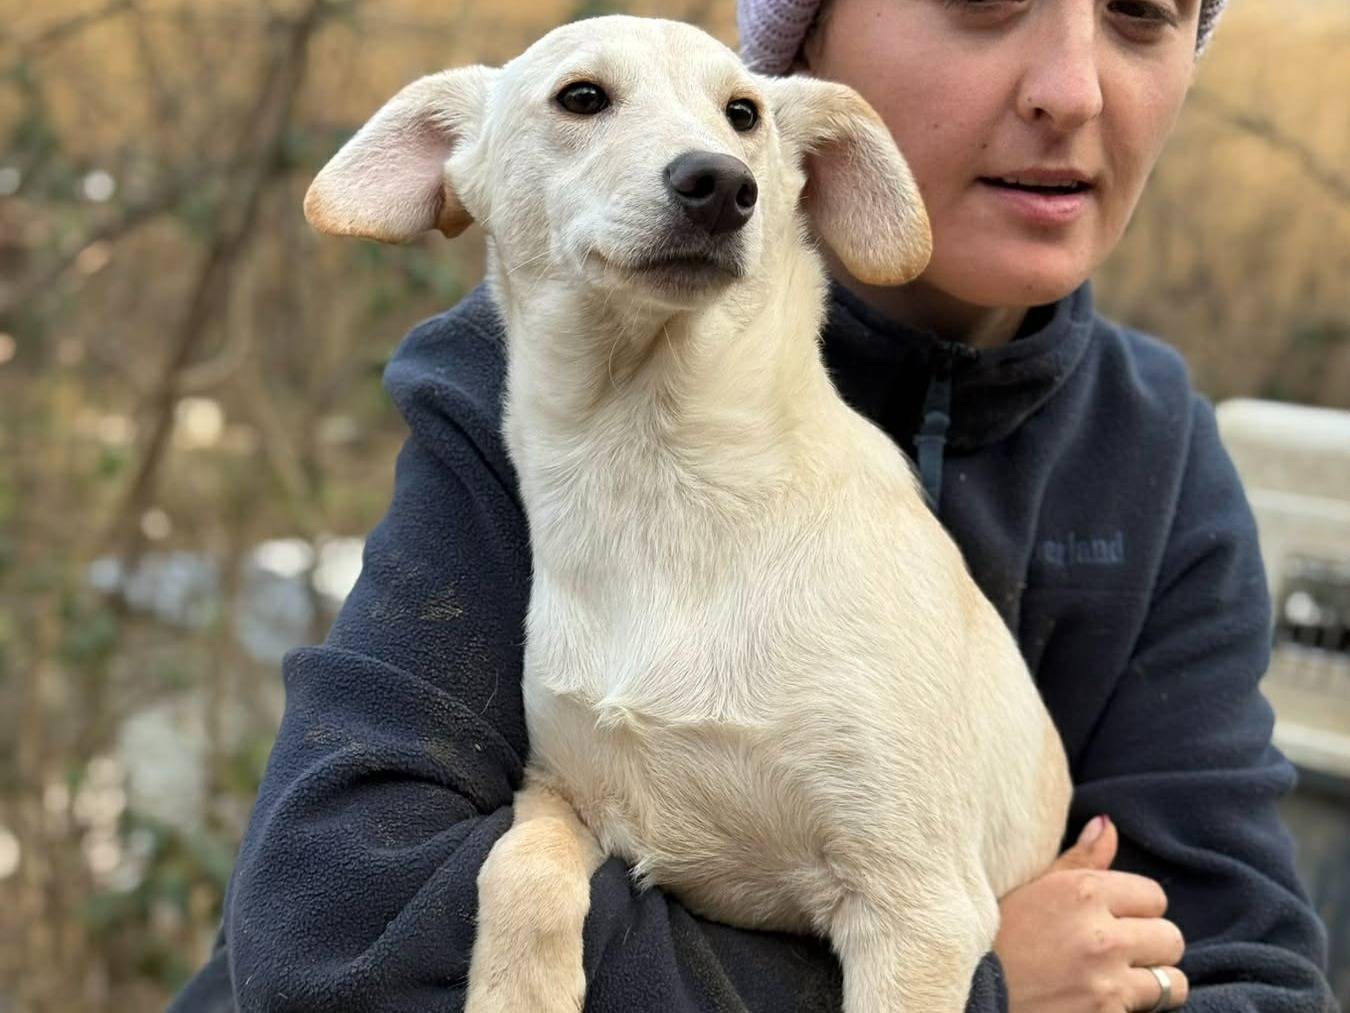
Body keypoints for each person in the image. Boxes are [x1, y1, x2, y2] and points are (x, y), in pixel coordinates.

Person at [172, 1, 1337, 1010]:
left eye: (1142, 11)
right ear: (812, 40)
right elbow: (340, 929)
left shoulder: (1159, 453)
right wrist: (994, 985)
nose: (1072, 89)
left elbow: (1245, 964)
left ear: (796, 146)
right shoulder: (514, 392)